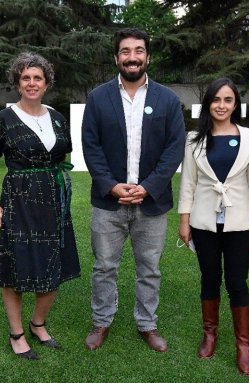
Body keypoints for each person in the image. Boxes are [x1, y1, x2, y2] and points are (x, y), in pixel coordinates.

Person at [82, 28, 185, 352]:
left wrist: (149, 187)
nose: (132, 57)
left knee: (149, 269)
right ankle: (102, 321)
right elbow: (91, 146)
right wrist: (112, 187)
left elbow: (174, 148)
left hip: (151, 204)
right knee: (104, 267)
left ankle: (147, 323)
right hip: (107, 203)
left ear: (147, 57)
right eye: (125, 51)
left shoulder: (167, 99)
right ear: (116, 58)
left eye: (138, 50)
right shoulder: (98, 97)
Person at [0, 52, 80, 361]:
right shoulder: (3, 120)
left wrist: (55, 187)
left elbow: (62, 157)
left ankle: (37, 324)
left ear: (46, 82)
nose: (31, 83)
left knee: (53, 262)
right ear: (17, 82)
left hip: (53, 200)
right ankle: (16, 333)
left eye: (37, 77)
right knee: (16, 266)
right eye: (25, 78)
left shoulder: (58, 118)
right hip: (19, 201)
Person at [178, 78, 249, 375]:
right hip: (204, 221)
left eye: (228, 100)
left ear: (235, 104)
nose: (221, 105)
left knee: (237, 282)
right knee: (210, 278)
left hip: (239, 220)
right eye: (216, 100)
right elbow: (188, 182)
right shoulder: (194, 139)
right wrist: (184, 219)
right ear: (207, 104)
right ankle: (210, 334)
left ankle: (243, 344)